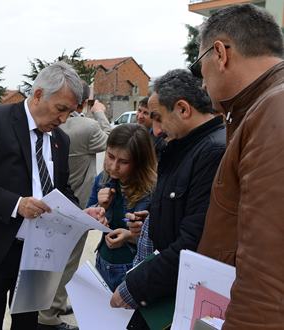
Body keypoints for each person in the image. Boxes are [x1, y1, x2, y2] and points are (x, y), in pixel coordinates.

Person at [0, 62, 101, 330]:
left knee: (27, 325)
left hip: (38, 254)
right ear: (38, 95)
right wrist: (16, 204)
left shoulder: (60, 139)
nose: (65, 119)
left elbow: (61, 189)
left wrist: (81, 214)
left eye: (70, 112)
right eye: (61, 109)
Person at [108, 69, 225, 330]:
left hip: (176, 289)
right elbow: (184, 206)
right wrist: (155, 218)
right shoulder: (186, 146)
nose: (156, 130)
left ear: (183, 109)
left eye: (158, 119)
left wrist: (134, 288)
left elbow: (194, 241)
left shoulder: (212, 152)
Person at [193, 4, 284, 328]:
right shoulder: (261, 107)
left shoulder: (273, 111)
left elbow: (267, 270)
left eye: (199, 66)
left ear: (220, 54)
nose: (202, 83)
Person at [38, 82, 111, 330]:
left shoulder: (49, 124)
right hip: (78, 203)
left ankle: (55, 305)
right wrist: (100, 112)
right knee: (66, 263)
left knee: (50, 259)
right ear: (84, 103)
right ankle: (48, 316)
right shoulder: (88, 126)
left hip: (51, 203)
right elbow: (113, 139)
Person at [86, 123, 157, 291]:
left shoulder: (153, 190)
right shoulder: (102, 179)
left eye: (123, 161)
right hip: (102, 262)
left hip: (131, 267)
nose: (114, 166)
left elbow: (162, 243)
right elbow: (86, 221)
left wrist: (130, 236)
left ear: (140, 162)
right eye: (110, 156)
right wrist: (99, 208)